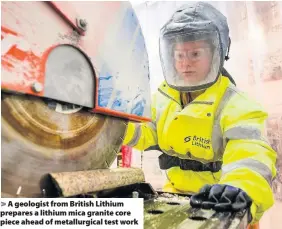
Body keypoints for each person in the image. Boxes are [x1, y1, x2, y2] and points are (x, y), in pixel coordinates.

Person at [123, 2, 277, 227]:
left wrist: (240, 188)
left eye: (195, 54)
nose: (185, 63)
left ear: (217, 52)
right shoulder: (162, 98)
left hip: (224, 205)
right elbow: (144, 132)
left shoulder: (237, 106)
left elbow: (251, 155)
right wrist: (109, 127)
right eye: (179, 55)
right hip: (175, 198)